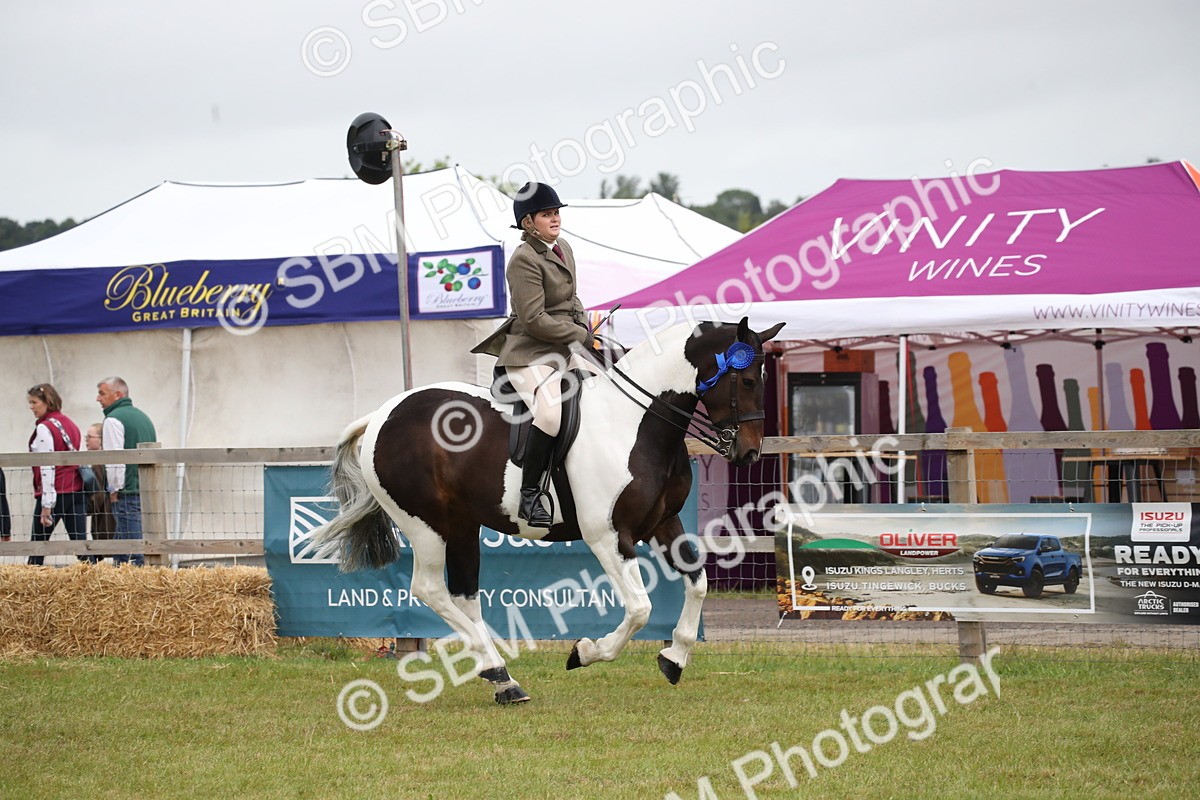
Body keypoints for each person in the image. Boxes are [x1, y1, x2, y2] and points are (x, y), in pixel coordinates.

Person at [471, 182, 599, 527]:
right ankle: (529, 496)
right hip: (529, 353)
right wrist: (578, 335)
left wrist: (584, 324)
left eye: (556, 213)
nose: (555, 219)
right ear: (529, 223)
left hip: (562, 347)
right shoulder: (523, 260)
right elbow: (534, 319)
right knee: (550, 416)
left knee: (605, 393)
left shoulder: (563, 247)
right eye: (547, 214)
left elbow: (572, 298)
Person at [26, 383, 89, 565]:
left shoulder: (44, 428)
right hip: (76, 490)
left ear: (47, 402)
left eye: (34, 402)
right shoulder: (70, 424)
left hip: (55, 492)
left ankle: (31, 579)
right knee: (81, 546)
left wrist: (47, 504)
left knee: (37, 546)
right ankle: (97, 577)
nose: (31, 407)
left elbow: (47, 465)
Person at [96, 377, 157, 566]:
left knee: (131, 548)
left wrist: (114, 489)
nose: (98, 399)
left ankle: (135, 575)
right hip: (145, 488)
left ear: (117, 395)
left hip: (126, 491)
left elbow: (115, 458)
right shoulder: (143, 417)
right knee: (129, 541)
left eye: (102, 393)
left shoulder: (113, 419)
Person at [84, 423, 117, 553]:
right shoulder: (109, 459)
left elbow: (97, 494)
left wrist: (86, 507)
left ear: (102, 440)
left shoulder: (98, 464)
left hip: (105, 516)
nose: (86, 440)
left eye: (90, 437)